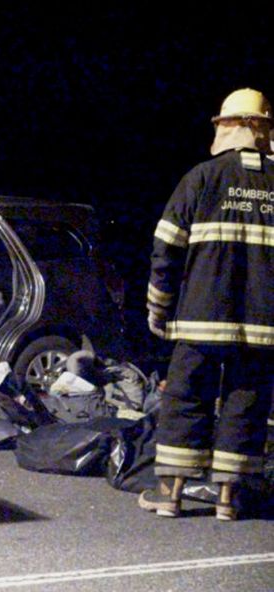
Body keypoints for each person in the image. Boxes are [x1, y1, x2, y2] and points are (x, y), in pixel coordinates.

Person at [140, 88, 273, 520]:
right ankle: (228, 501)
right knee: (246, 402)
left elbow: (166, 248)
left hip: (199, 318)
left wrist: (158, 309)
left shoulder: (201, 178)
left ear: (228, 127)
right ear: (264, 131)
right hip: (262, 325)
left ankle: (172, 495)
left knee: (185, 399)